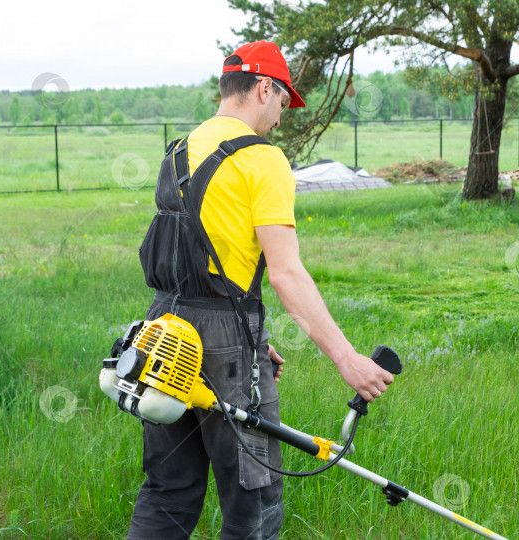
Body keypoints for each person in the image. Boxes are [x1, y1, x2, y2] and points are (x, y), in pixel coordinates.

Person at [126, 40, 394, 540]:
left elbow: (195, 254)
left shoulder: (179, 151)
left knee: (167, 493)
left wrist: (245, 326)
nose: (281, 119)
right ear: (264, 89)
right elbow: (285, 273)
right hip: (224, 345)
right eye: (282, 105)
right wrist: (347, 358)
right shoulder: (264, 160)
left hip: (162, 335)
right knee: (255, 505)